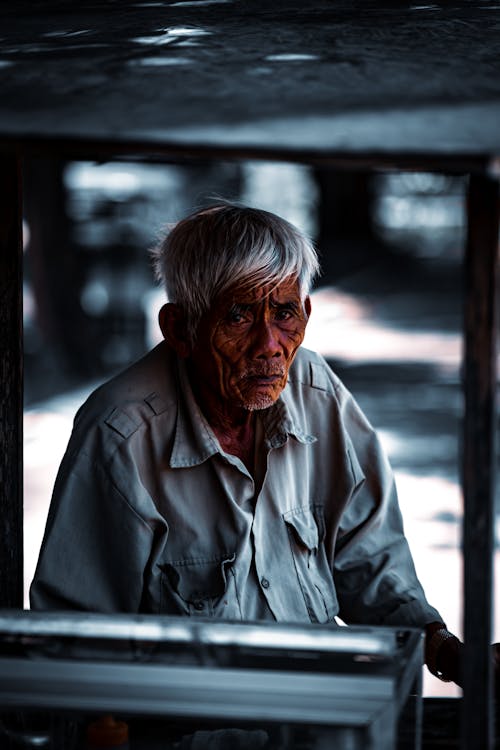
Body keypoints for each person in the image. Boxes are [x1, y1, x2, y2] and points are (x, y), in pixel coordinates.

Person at [31, 202, 464, 684]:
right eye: (238, 316)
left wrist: (446, 652)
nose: (269, 345)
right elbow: (81, 642)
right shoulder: (121, 434)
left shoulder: (317, 392)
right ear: (179, 329)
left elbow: (367, 556)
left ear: (305, 313)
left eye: (283, 314)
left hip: (314, 713)